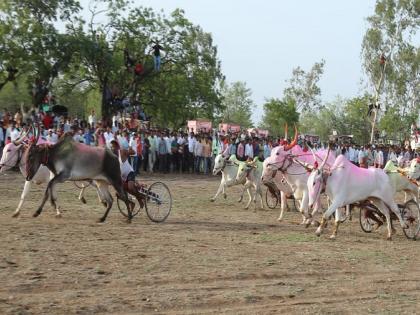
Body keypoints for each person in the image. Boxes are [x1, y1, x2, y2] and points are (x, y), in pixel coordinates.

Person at [110, 140, 144, 209]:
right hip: (122, 177)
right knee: (118, 194)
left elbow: (133, 152)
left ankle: (139, 199)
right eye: (111, 147)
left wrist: (130, 150)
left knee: (131, 187)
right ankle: (131, 203)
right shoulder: (112, 158)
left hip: (129, 173)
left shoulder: (122, 151)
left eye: (113, 147)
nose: (112, 148)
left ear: (117, 147)